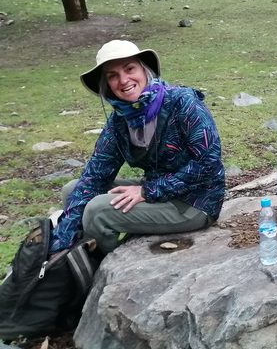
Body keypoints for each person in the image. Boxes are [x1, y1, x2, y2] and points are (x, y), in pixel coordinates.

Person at [51, 40, 225, 256]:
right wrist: (60, 238)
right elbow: (96, 172)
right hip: (158, 190)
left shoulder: (183, 102)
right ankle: (70, 258)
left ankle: (101, 266)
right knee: (73, 189)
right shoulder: (120, 118)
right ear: (106, 84)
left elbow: (209, 164)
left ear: (145, 70)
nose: (123, 80)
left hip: (194, 201)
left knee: (97, 212)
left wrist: (146, 191)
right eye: (113, 75)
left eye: (129, 69)